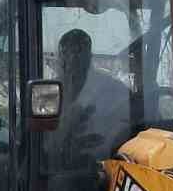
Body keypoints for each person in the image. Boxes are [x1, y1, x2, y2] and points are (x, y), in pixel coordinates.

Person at [56, 28, 132, 161]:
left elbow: (126, 129)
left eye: (78, 52)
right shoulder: (49, 91)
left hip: (103, 164)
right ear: (61, 57)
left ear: (89, 56)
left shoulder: (113, 90)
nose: (72, 58)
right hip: (55, 164)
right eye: (66, 52)